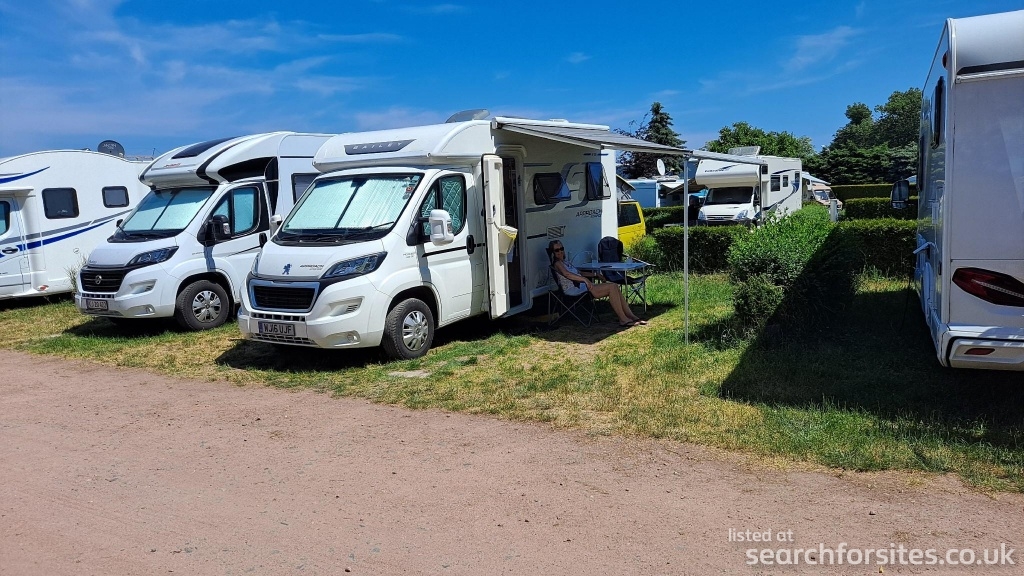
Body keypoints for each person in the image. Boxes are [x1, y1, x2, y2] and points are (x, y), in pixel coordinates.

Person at [548, 240, 647, 327]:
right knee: (612, 287)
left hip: (583, 287)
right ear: (553, 252)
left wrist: (596, 274)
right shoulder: (557, 264)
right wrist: (585, 280)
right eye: (557, 250)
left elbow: (580, 272)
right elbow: (567, 274)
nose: (560, 251)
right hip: (574, 291)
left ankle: (631, 316)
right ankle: (623, 319)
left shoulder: (566, 262)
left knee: (614, 286)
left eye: (561, 249)